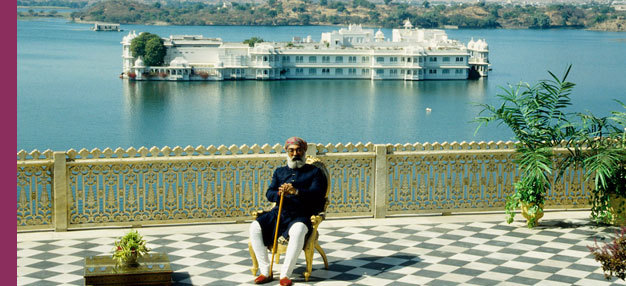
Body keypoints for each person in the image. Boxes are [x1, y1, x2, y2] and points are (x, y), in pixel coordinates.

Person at [249, 137, 328, 286]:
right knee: (254, 227)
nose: (295, 153)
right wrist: (279, 193)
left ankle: (285, 275)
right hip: (279, 212)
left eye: (299, 150)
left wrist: (296, 191)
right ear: (287, 152)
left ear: (304, 151)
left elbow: (317, 194)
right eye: (291, 150)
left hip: (301, 214)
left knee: (298, 231)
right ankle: (265, 271)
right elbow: (269, 194)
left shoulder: (315, 172)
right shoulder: (279, 172)